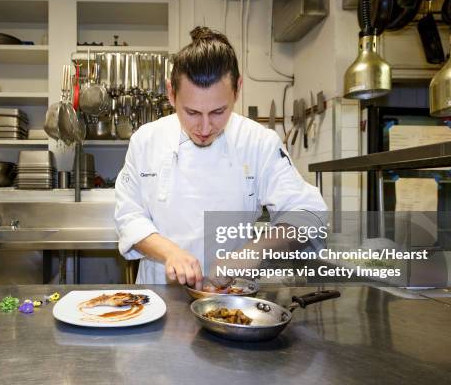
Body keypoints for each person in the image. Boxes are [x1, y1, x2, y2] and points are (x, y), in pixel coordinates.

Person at [114, 26, 327, 288]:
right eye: (191, 112)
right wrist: (170, 252)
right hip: (160, 296)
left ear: (237, 89)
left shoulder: (258, 141)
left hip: (233, 297)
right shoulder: (146, 141)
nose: (204, 129)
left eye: (218, 112)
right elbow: (129, 217)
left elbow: (308, 213)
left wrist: (253, 251)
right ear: (171, 93)